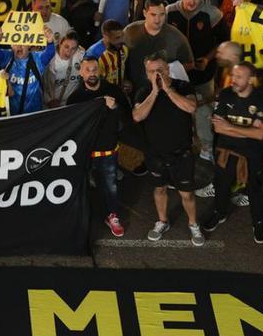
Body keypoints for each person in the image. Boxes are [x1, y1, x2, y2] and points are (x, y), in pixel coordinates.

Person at [134, 53, 204, 245]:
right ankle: (162, 221)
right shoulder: (143, 91)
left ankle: (193, 224)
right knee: (159, 189)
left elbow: (190, 107)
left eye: (161, 70)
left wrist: (168, 89)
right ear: (146, 73)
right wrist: (155, 92)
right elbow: (138, 116)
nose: (157, 75)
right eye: (152, 71)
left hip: (181, 152)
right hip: (155, 153)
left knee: (187, 193)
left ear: (167, 69)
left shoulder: (183, 86)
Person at [202, 62, 263, 243]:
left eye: (239, 76)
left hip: (251, 155)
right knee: (221, 185)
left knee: (254, 190)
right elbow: (218, 128)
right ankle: (219, 213)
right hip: (226, 152)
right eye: (233, 75)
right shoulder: (225, 94)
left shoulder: (262, 100)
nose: (234, 79)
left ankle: (258, 222)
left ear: (250, 79)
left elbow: (261, 133)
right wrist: (246, 129)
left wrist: (230, 127)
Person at [68, 55, 130, 237]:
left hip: (107, 149)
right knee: (80, 186)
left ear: (100, 71)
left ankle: (112, 215)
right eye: (87, 70)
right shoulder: (75, 98)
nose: (92, 73)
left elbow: (127, 118)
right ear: (80, 72)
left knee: (110, 186)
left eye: (94, 69)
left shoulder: (114, 91)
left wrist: (115, 107)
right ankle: (80, 217)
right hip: (84, 150)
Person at [125, 0, 195, 89]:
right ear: (145, 13)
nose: (157, 20)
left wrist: (167, 69)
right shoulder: (130, 32)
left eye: (162, 15)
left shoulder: (176, 36)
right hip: (135, 89)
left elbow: (190, 64)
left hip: (164, 93)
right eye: (153, 15)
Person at [0, 23, 56, 115]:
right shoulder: (7, 58)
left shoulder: (38, 59)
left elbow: (50, 53)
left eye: (23, 43)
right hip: (12, 113)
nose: (19, 46)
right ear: (11, 45)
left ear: (29, 45)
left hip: (34, 113)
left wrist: (50, 41)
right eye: (15, 42)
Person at [43, 31, 83, 107]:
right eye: (66, 47)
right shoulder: (50, 60)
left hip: (72, 104)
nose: (69, 52)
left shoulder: (81, 56)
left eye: (73, 48)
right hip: (52, 106)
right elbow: (42, 85)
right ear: (60, 43)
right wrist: (49, 100)